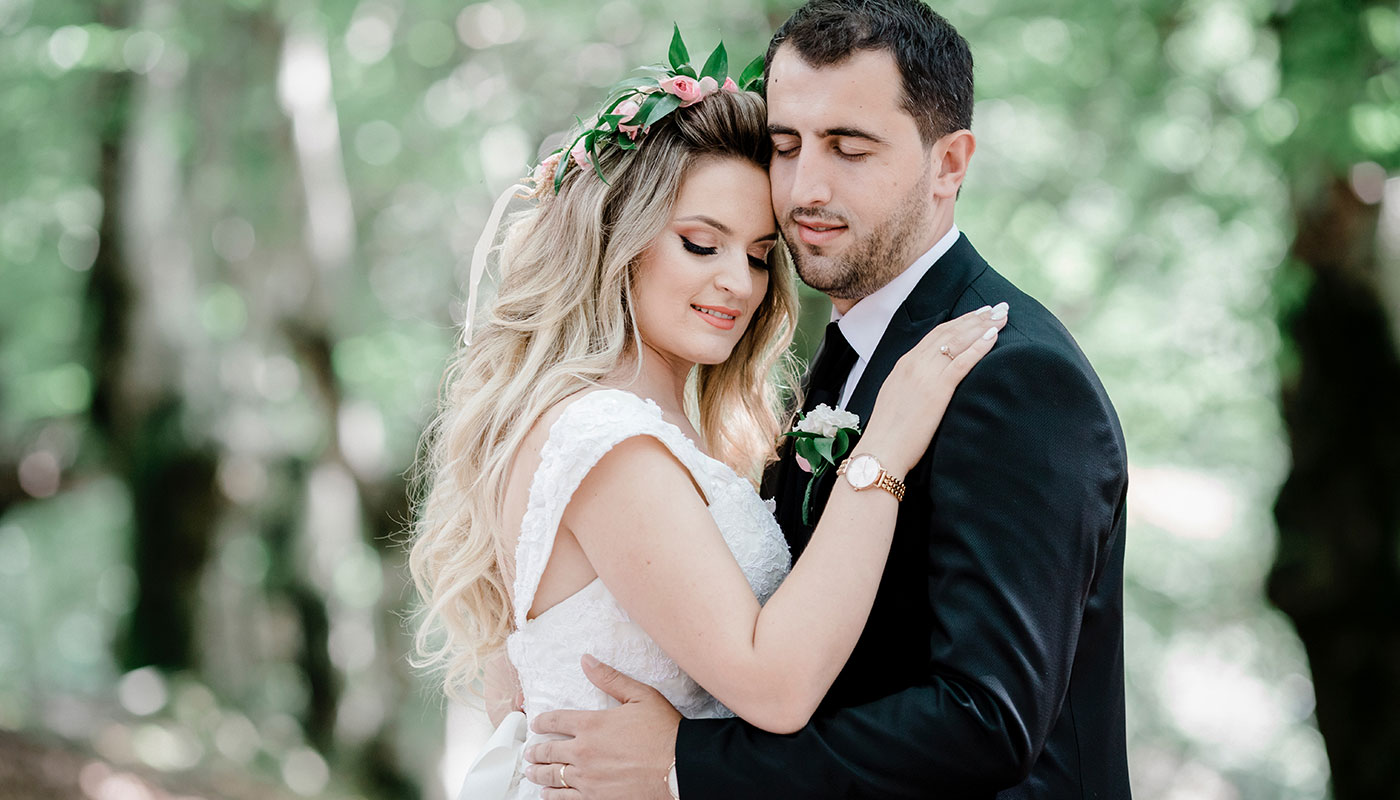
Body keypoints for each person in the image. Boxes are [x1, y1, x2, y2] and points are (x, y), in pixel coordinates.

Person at [523, 2, 1132, 798]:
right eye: (786, 146)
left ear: (949, 164)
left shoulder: (1010, 375)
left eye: (849, 148)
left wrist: (687, 763)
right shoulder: (846, 360)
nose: (806, 187)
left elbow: (987, 721)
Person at [407, 29, 1007, 800]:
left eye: (760, 256)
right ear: (617, 243)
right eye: (701, 244)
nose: (738, 283)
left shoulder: (652, 431)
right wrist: (883, 448)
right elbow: (775, 687)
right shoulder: (606, 439)